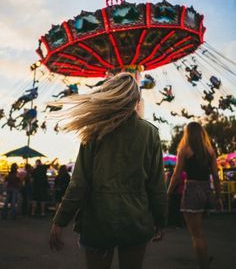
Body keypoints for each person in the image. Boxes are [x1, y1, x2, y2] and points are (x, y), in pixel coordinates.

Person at [49, 73, 167, 269]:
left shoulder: (94, 131)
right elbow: (156, 184)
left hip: (98, 221)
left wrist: (60, 220)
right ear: (137, 100)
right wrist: (161, 219)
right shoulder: (150, 133)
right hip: (136, 221)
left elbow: (78, 183)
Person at [167, 122, 223, 269]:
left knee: (196, 234)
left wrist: (168, 193)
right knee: (200, 232)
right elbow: (216, 177)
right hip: (206, 191)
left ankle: (203, 264)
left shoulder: (184, 150)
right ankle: (204, 258)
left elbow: (177, 175)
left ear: (188, 134)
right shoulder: (210, 150)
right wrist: (218, 197)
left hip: (192, 190)